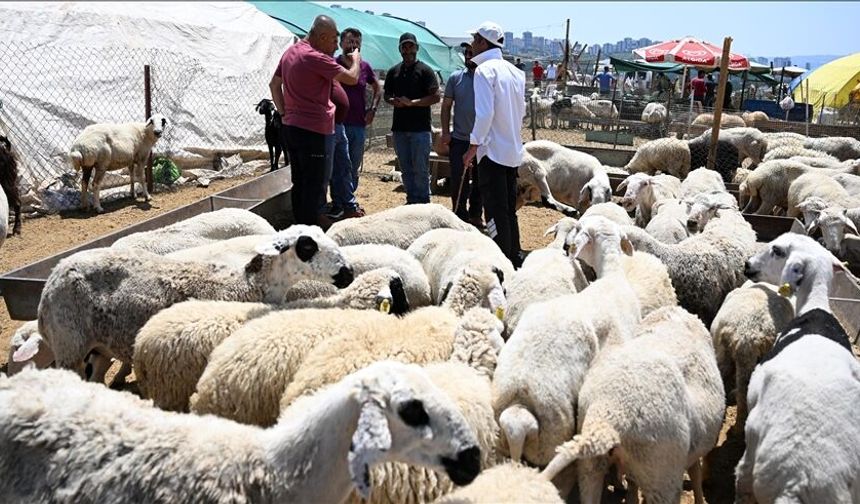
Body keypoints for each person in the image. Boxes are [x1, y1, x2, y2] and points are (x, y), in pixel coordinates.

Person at [269, 15, 362, 226]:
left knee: (299, 182)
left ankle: (300, 226)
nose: (335, 46)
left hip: (292, 128)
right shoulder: (314, 57)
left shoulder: (290, 52)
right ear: (321, 37)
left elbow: (274, 85)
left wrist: (284, 114)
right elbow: (352, 77)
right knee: (314, 185)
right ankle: (310, 234)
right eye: (332, 40)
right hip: (314, 131)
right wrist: (356, 59)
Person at [462, 21, 526, 267]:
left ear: (481, 42)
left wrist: (473, 146)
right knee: (508, 209)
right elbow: (519, 113)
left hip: (492, 152)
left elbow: (485, 114)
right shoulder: (515, 72)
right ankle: (514, 257)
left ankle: (501, 263)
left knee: (494, 211)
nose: (472, 45)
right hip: (511, 150)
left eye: (474, 40)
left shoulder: (484, 71)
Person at [384, 33, 441, 204]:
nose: (408, 50)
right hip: (400, 129)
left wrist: (413, 103)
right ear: (400, 49)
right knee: (406, 169)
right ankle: (411, 200)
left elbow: (436, 96)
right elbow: (387, 94)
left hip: (420, 130)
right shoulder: (394, 71)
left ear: (417, 48)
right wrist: (393, 101)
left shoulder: (425, 71)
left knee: (421, 169)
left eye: (411, 46)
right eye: (404, 47)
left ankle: (423, 202)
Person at [331, 27, 379, 219]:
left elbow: (377, 87)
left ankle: (349, 201)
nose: (353, 46)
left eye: (357, 43)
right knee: (337, 165)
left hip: (358, 125)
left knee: (353, 165)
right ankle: (337, 203)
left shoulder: (365, 67)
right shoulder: (334, 65)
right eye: (349, 41)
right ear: (341, 43)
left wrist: (373, 109)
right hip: (337, 123)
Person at [441, 42, 482, 227]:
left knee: (480, 181)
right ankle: (459, 215)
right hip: (459, 139)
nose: (468, 56)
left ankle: (475, 214)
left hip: (481, 141)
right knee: (459, 180)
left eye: (472, 53)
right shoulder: (455, 78)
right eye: (466, 53)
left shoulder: (487, 79)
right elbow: (446, 106)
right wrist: (445, 132)